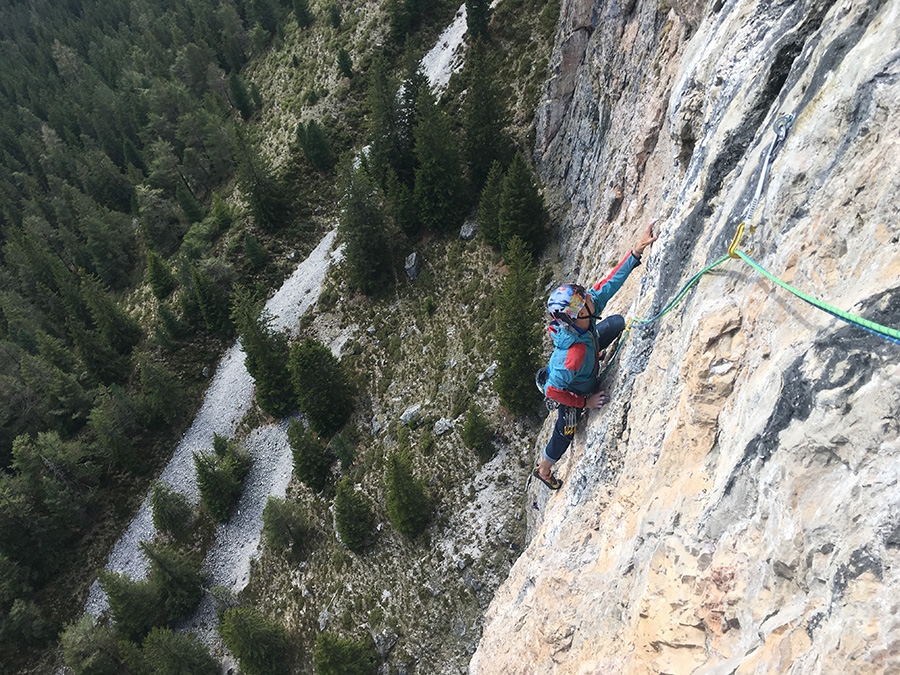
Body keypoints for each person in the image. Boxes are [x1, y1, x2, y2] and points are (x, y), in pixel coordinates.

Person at [533, 223, 658, 490]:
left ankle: (590, 365)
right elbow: (554, 392)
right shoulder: (573, 355)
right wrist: (584, 402)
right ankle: (544, 470)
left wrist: (636, 251)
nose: (591, 299)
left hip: (588, 350)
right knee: (565, 432)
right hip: (574, 391)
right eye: (585, 300)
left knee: (615, 322)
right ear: (576, 315)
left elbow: (608, 285)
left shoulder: (580, 316)